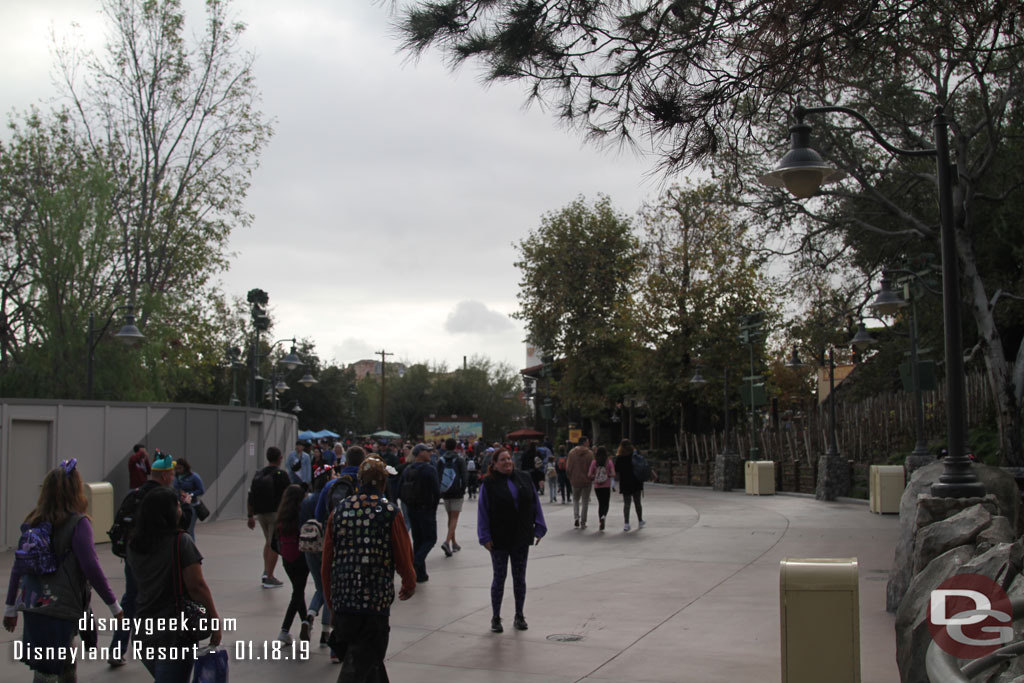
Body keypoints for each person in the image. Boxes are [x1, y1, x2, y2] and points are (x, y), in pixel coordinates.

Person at [4, 459, 123, 682]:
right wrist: (113, 605)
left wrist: (10, 608)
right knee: (54, 670)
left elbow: (17, 568)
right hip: (62, 608)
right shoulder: (78, 523)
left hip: (33, 605)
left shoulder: (33, 521)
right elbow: (90, 567)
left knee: (49, 668)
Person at [322, 457, 416, 680]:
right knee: (362, 666)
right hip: (375, 605)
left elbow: (328, 562)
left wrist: (331, 602)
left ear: (359, 481)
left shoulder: (339, 511)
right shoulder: (390, 512)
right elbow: (403, 554)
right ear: (383, 483)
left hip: (345, 602)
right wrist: (409, 582)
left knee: (367, 662)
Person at [108, 451, 194, 666]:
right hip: (159, 557)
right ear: (164, 475)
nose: (173, 477)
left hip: (133, 556)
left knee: (131, 598)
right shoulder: (165, 497)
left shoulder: (134, 493)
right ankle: (153, 644)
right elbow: (180, 525)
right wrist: (186, 506)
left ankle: (118, 648)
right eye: (172, 474)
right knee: (158, 601)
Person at [128, 486, 221, 682]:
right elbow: (197, 587)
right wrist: (214, 619)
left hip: (143, 629)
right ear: (169, 511)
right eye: (177, 505)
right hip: (173, 632)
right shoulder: (181, 542)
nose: (180, 508)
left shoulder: (135, 545)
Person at [477, 449, 546, 633]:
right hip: (499, 537)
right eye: (502, 459)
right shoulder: (489, 483)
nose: (507, 462)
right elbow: (483, 510)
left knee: (519, 578)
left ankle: (519, 615)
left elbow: (535, 504)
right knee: (499, 577)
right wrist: (484, 536)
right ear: (495, 464)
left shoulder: (524, 478)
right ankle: (496, 617)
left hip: (521, 535)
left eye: (509, 458)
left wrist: (539, 526)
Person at [301, 465, 336, 655]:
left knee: (319, 588)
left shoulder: (306, 500)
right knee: (327, 588)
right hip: (324, 545)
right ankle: (325, 631)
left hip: (308, 546)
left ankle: (309, 616)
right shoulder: (327, 497)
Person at [247, 447, 291, 589]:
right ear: (279, 458)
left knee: (268, 542)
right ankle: (270, 576)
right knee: (274, 544)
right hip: (275, 514)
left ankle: (266, 571)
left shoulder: (259, 474)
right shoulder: (281, 474)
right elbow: (289, 495)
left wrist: (250, 516)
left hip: (261, 514)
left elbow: (251, 496)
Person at [397, 443, 440, 582]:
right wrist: (433, 507)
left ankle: (420, 574)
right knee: (430, 539)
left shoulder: (407, 469)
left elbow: (399, 490)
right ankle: (415, 562)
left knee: (418, 540)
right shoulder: (429, 470)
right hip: (426, 509)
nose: (430, 453)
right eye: (427, 451)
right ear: (420, 453)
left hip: (412, 509)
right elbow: (436, 491)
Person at [274, 484, 310, 644]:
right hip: (301, 556)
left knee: (298, 590)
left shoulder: (281, 516)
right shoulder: (301, 514)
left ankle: (306, 622)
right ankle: (285, 629)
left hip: (287, 558)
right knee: (297, 592)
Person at [438, 438, 467, 557]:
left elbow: (438, 475)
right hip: (457, 492)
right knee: (454, 518)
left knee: (450, 517)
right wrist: (463, 489)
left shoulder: (441, 460)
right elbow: (464, 476)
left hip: (445, 491)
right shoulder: (459, 459)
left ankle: (454, 543)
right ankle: (447, 542)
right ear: (455, 446)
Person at [615, 439, 646, 531]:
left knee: (627, 503)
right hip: (636, 481)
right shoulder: (635, 455)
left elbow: (617, 470)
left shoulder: (620, 457)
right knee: (637, 502)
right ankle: (640, 521)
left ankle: (626, 523)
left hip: (625, 482)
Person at [566, 437, 595, 528]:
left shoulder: (571, 453)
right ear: (585, 442)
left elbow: (568, 468)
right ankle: (583, 521)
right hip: (586, 480)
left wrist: (570, 477)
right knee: (585, 501)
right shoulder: (590, 454)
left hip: (575, 480)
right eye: (588, 441)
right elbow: (593, 467)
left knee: (575, 500)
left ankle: (576, 518)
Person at [173, 457, 205, 539]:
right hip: (180, 504)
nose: (178, 470)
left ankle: (191, 548)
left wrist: (189, 494)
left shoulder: (194, 476)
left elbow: (201, 490)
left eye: (180, 468)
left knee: (189, 529)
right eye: (176, 469)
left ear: (185, 467)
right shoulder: (176, 477)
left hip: (192, 505)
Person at [588, 446, 616, 531]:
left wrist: (595, 476)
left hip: (597, 486)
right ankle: (604, 515)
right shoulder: (609, 462)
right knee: (606, 503)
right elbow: (613, 474)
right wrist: (608, 475)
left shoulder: (594, 463)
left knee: (600, 503)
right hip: (606, 485)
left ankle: (600, 519)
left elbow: (589, 475)